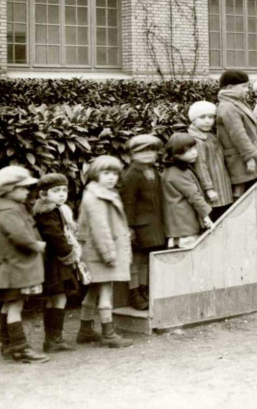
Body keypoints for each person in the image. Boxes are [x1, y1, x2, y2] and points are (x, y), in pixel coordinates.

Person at [0, 166, 48, 363]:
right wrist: (36, 245)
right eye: (22, 188)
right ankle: (21, 349)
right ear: (9, 190)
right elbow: (20, 236)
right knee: (15, 306)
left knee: (8, 305)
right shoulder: (9, 212)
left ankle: (7, 344)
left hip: (10, 269)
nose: (26, 191)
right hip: (13, 270)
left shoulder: (8, 208)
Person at [76, 156, 134, 348]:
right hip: (101, 252)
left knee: (94, 290)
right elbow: (100, 228)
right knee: (106, 291)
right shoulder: (97, 197)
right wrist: (109, 255)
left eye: (115, 174)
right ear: (95, 174)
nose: (111, 177)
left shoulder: (100, 193)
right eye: (106, 173)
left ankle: (85, 330)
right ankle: (108, 333)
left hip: (95, 251)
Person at [32, 173, 82, 353]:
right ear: (43, 194)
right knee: (59, 297)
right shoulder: (47, 212)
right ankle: (54, 339)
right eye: (56, 191)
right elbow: (55, 236)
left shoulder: (59, 209)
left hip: (54, 260)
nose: (62, 194)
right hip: (54, 261)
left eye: (64, 190)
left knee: (54, 298)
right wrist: (69, 254)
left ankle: (52, 339)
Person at [118, 135, 166, 311]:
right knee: (136, 261)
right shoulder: (132, 174)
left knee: (147, 259)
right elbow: (128, 202)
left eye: (151, 151)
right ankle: (134, 293)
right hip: (139, 225)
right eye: (143, 151)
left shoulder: (153, 170)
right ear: (133, 154)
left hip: (153, 224)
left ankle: (144, 289)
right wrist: (129, 227)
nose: (148, 155)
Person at [216, 69, 257, 197]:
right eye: (243, 86)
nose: (247, 90)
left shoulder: (235, 102)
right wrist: (249, 157)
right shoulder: (228, 106)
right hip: (240, 157)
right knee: (241, 192)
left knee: (248, 190)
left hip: (243, 154)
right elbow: (238, 134)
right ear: (230, 87)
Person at [162, 133, 215, 249]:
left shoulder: (174, 169)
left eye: (194, 148)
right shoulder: (178, 173)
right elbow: (194, 196)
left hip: (180, 224)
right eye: (188, 151)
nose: (194, 152)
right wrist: (206, 216)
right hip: (183, 225)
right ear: (176, 154)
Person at [188, 101, 234, 221]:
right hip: (213, 188)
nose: (208, 121)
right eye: (202, 117)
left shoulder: (209, 136)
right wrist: (209, 189)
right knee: (218, 218)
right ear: (193, 120)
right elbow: (200, 166)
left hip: (221, 184)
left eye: (211, 117)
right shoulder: (197, 140)